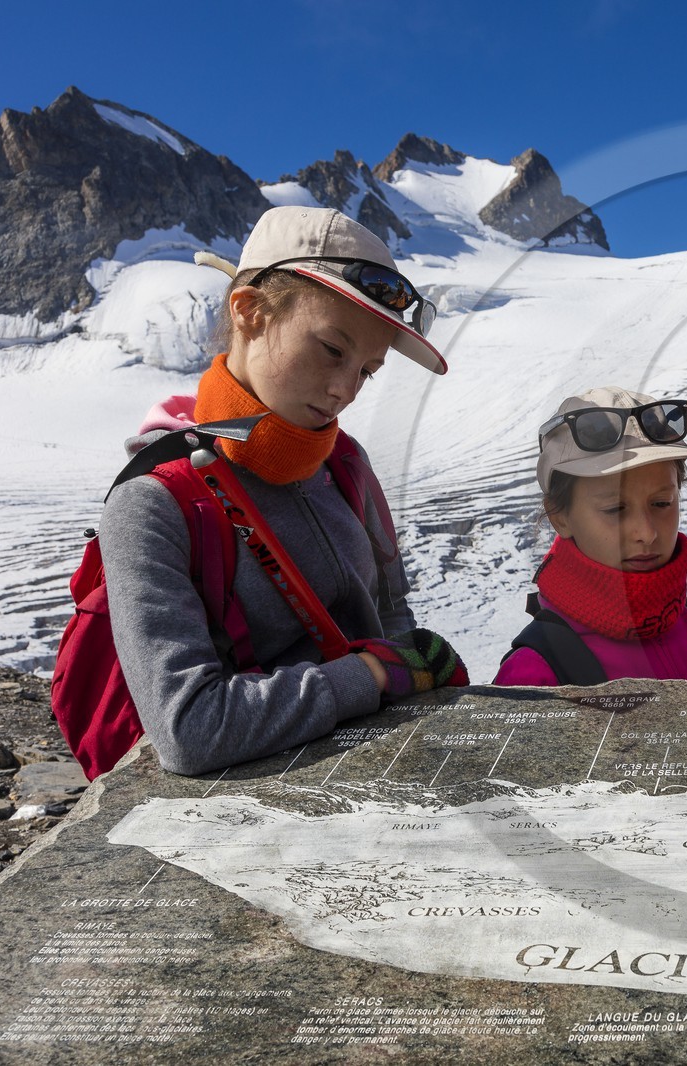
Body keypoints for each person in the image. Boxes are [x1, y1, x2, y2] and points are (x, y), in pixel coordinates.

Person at [99, 206, 469, 776]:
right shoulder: (154, 503)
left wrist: (403, 665)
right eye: (331, 349)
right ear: (249, 312)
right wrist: (371, 675)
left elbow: (389, 611)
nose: (346, 391)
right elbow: (189, 729)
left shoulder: (345, 462)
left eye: (368, 370)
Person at [492, 386, 687, 686]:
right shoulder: (534, 675)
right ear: (559, 517)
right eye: (615, 509)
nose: (647, 532)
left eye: (661, 504)